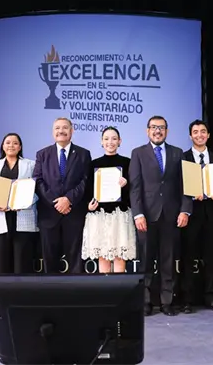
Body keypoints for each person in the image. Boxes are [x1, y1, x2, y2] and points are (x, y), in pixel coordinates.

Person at [130, 115, 192, 316]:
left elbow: (185, 186)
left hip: (171, 216)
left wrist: (185, 210)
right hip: (146, 216)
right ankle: (146, 302)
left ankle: (167, 302)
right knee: (145, 261)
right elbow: (135, 187)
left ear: (167, 131)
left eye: (162, 127)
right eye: (154, 127)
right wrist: (138, 214)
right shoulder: (138, 153)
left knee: (168, 260)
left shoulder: (178, 153)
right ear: (147, 130)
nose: (158, 131)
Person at [33, 117, 92, 274]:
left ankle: (75, 295)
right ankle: (51, 295)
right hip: (49, 214)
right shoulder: (42, 154)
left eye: (65, 128)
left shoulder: (83, 154)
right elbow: (38, 181)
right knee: (50, 260)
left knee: (75, 260)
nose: (61, 131)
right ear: (53, 132)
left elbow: (85, 181)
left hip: (74, 213)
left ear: (71, 131)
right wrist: (57, 202)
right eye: (57, 128)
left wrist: (68, 199)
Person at [180, 120, 213, 313]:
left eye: (203, 132)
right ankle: (187, 300)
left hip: (212, 214)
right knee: (188, 257)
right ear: (190, 136)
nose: (199, 135)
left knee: (211, 257)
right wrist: (191, 193)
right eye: (195, 132)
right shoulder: (183, 158)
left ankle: (211, 298)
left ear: (208, 135)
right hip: (192, 213)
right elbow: (179, 187)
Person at [81, 127, 135, 274]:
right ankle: (105, 294)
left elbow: (136, 190)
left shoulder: (128, 163)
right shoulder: (93, 164)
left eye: (114, 138)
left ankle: (120, 294)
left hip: (120, 215)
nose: (110, 142)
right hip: (99, 215)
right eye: (106, 139)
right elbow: (87, 190)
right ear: (101, 142)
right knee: (103, 256)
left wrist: (127, 184)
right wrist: (89, 205)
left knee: (119, 256)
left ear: (119, 141)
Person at [0, 133, 38, 274]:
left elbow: (37, 192)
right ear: (3, 146)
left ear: (20, 147)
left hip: (22, 217)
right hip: (0, 218)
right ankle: (2, 296)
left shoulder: (31, 165)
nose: (11, 146)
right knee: (1, 265)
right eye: (8, 143)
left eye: (15, 143)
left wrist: (21, 203)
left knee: (22, 264)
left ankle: (23, 296)